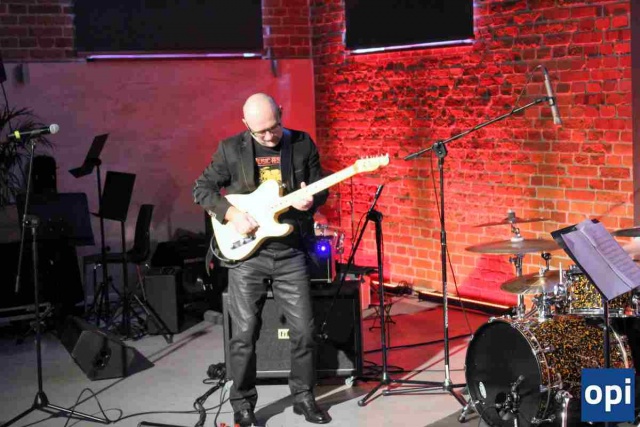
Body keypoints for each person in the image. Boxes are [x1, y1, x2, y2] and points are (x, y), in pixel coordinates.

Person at [193, 93, 331, 426]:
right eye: (260, 132)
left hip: (290, 251)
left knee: (305, 331)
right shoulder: (230, 149)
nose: (269, 136)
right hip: (247, 256)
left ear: (281, 113)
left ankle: (303, 396)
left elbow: (320, 187)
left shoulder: (301, 144)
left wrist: (311, 200)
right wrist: (231, 214)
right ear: (246, 125)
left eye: (273, 127)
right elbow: (202, 189)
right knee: (244, 333)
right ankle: (242, 404)